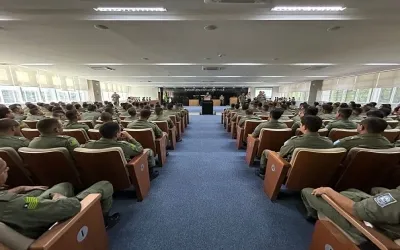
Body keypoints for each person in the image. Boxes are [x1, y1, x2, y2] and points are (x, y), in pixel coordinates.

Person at [0, 158, 120, 239]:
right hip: (49, 226)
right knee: (104, 185)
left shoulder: (13, 201)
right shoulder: (15, 203)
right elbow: (72, 206)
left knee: (63, 186)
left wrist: (20, 188)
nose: (8, 170)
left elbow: (24, 203)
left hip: (29, 211)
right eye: (5, 169)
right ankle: (102, 221)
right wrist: (59, 199)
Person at [300, 186, 400, 245]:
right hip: (386, 221)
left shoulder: (397, 198)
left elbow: (355, 210)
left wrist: (328, 191)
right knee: (353, 191)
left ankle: (315, 217)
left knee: (307, 191)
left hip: (369, 229)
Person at [256, 116, 333, 179]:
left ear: (304, 127)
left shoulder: (294, 141)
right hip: (318, 172)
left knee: (266, 152)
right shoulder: (329, 142)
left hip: (294, 171)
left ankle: (262, 173)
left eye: (301, 124)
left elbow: (281, 154)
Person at [83, 122, 159, 179]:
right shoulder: (122, 146)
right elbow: (140, 149)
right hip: (122, 173)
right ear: (116, 134)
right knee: (148, 151)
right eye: (120, 131)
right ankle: (150, 174)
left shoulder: (88, 145)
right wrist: (130, 137)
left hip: (100, 173)